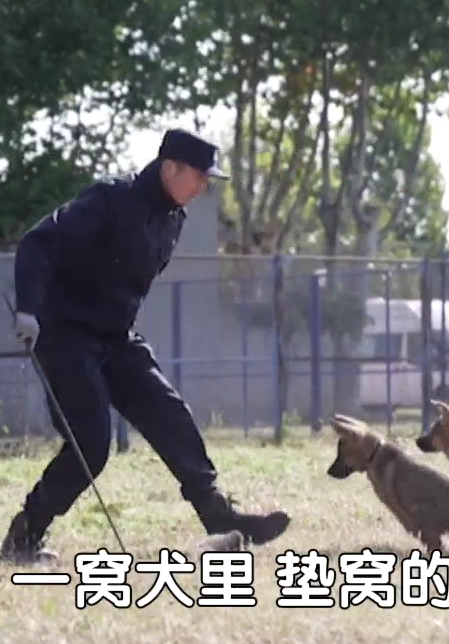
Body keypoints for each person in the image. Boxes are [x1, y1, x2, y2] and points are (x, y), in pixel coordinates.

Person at [0, 129, 291, 565]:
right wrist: (28, 309)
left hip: (116, 337)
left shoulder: (173, 219)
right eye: (198, 176)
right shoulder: (110, 200)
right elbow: (41, 242)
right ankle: (25, 535)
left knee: (169, 413)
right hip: (66, 334)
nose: (202, 187)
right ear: (169, 167)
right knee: (91, 444)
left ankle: (220, 519)